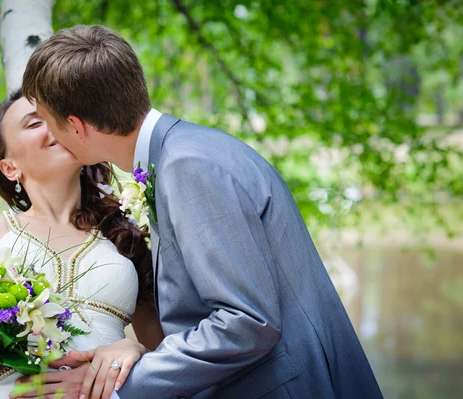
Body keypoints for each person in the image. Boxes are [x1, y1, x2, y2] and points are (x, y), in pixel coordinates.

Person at [21, 25, 384, 398]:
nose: (50, 134)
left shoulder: (187, 166)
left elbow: (247, 323)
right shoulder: (190, 149)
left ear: (78, 127)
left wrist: (126, 385)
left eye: (47, 121)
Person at [0, 89, 163, 399]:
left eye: (57, 116)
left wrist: (135, 349)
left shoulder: (126, 237)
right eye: (36, 123)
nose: (54, 126)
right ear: (9, 167)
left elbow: (166, 359)